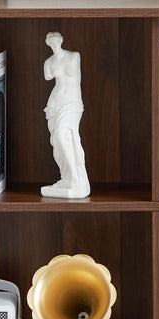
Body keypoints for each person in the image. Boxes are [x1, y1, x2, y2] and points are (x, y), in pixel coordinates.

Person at [41, 31, 90, 199]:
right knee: (58, 142)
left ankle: (76, 178)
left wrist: (58, 71)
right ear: (48, 44)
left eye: (56, 41)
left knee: (63, 135)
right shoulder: (48, 63)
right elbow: (49, 77)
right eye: (51, 43)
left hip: (72, 103)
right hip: (55, 105)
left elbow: (67, 74)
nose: (54, 45)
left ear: (61, 41)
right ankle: (67, 178)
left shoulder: (74, 56)